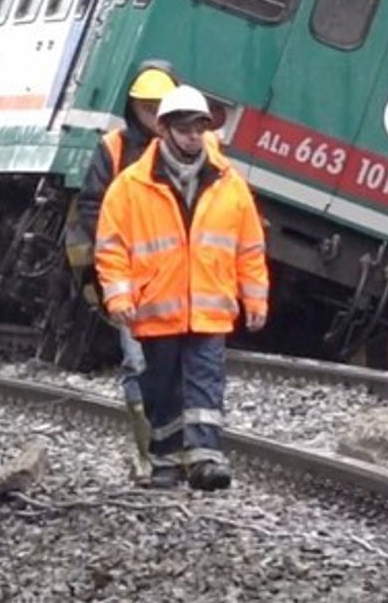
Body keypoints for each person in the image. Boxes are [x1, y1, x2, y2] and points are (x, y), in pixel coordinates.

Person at [95, 85, 269, 491]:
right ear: (164, 129)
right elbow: (111, 246)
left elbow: (249, 247)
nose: (193, 137)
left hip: (210, 308)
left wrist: (255, 299)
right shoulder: (131, 186)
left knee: (206, 382)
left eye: (199, 129)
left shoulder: (229, 184)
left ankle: (206, 458)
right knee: (163, 387)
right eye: (185, 129)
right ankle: (166, 461)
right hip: (157, 308)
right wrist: (119, 296)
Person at [66, 61, 178, 478]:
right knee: (139, 362)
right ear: (133, 107)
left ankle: (171, 451)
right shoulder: (114, 147)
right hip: (129, 275)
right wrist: (114, 249)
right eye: (147, 106)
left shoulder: (189, 152)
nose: (153, 114)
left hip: (175, 277)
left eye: (160, 106)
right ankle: (150, 454)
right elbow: (91, 204)